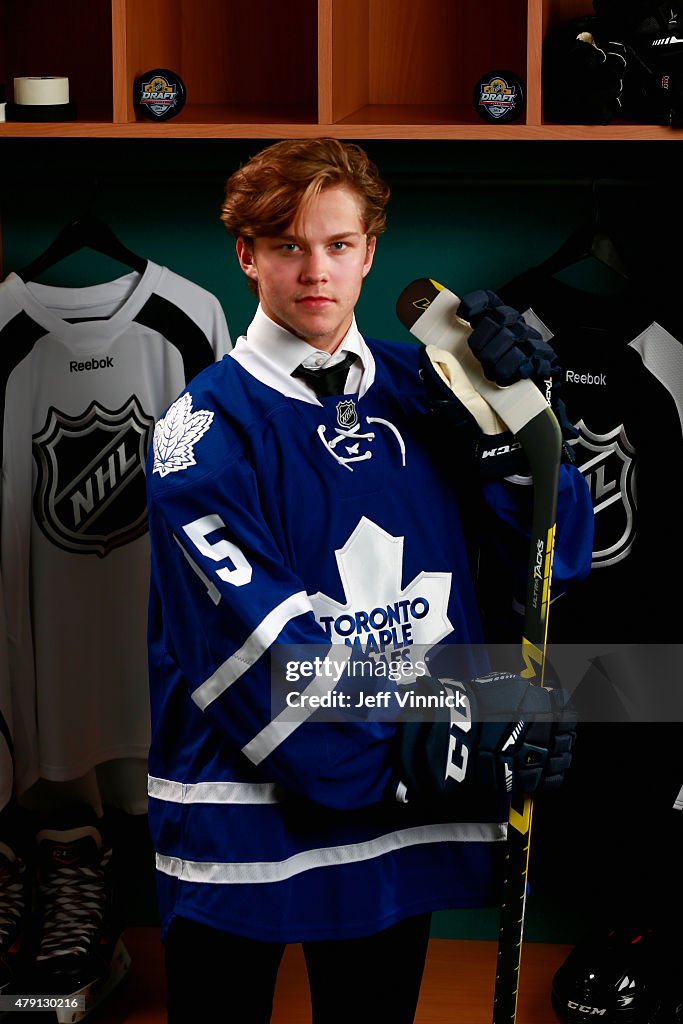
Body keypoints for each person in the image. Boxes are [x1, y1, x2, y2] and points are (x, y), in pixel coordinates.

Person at [145, 138, 593, 1024]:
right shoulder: (199, 431)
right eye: (287, 245)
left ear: (370, 251)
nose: (316, 271)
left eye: (338, 245)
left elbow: (551, 564)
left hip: (395, 819)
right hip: (250, 818)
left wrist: (521, 430)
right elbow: (267, 664)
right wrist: (451, 730)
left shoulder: (432, 389)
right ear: (247, 256)